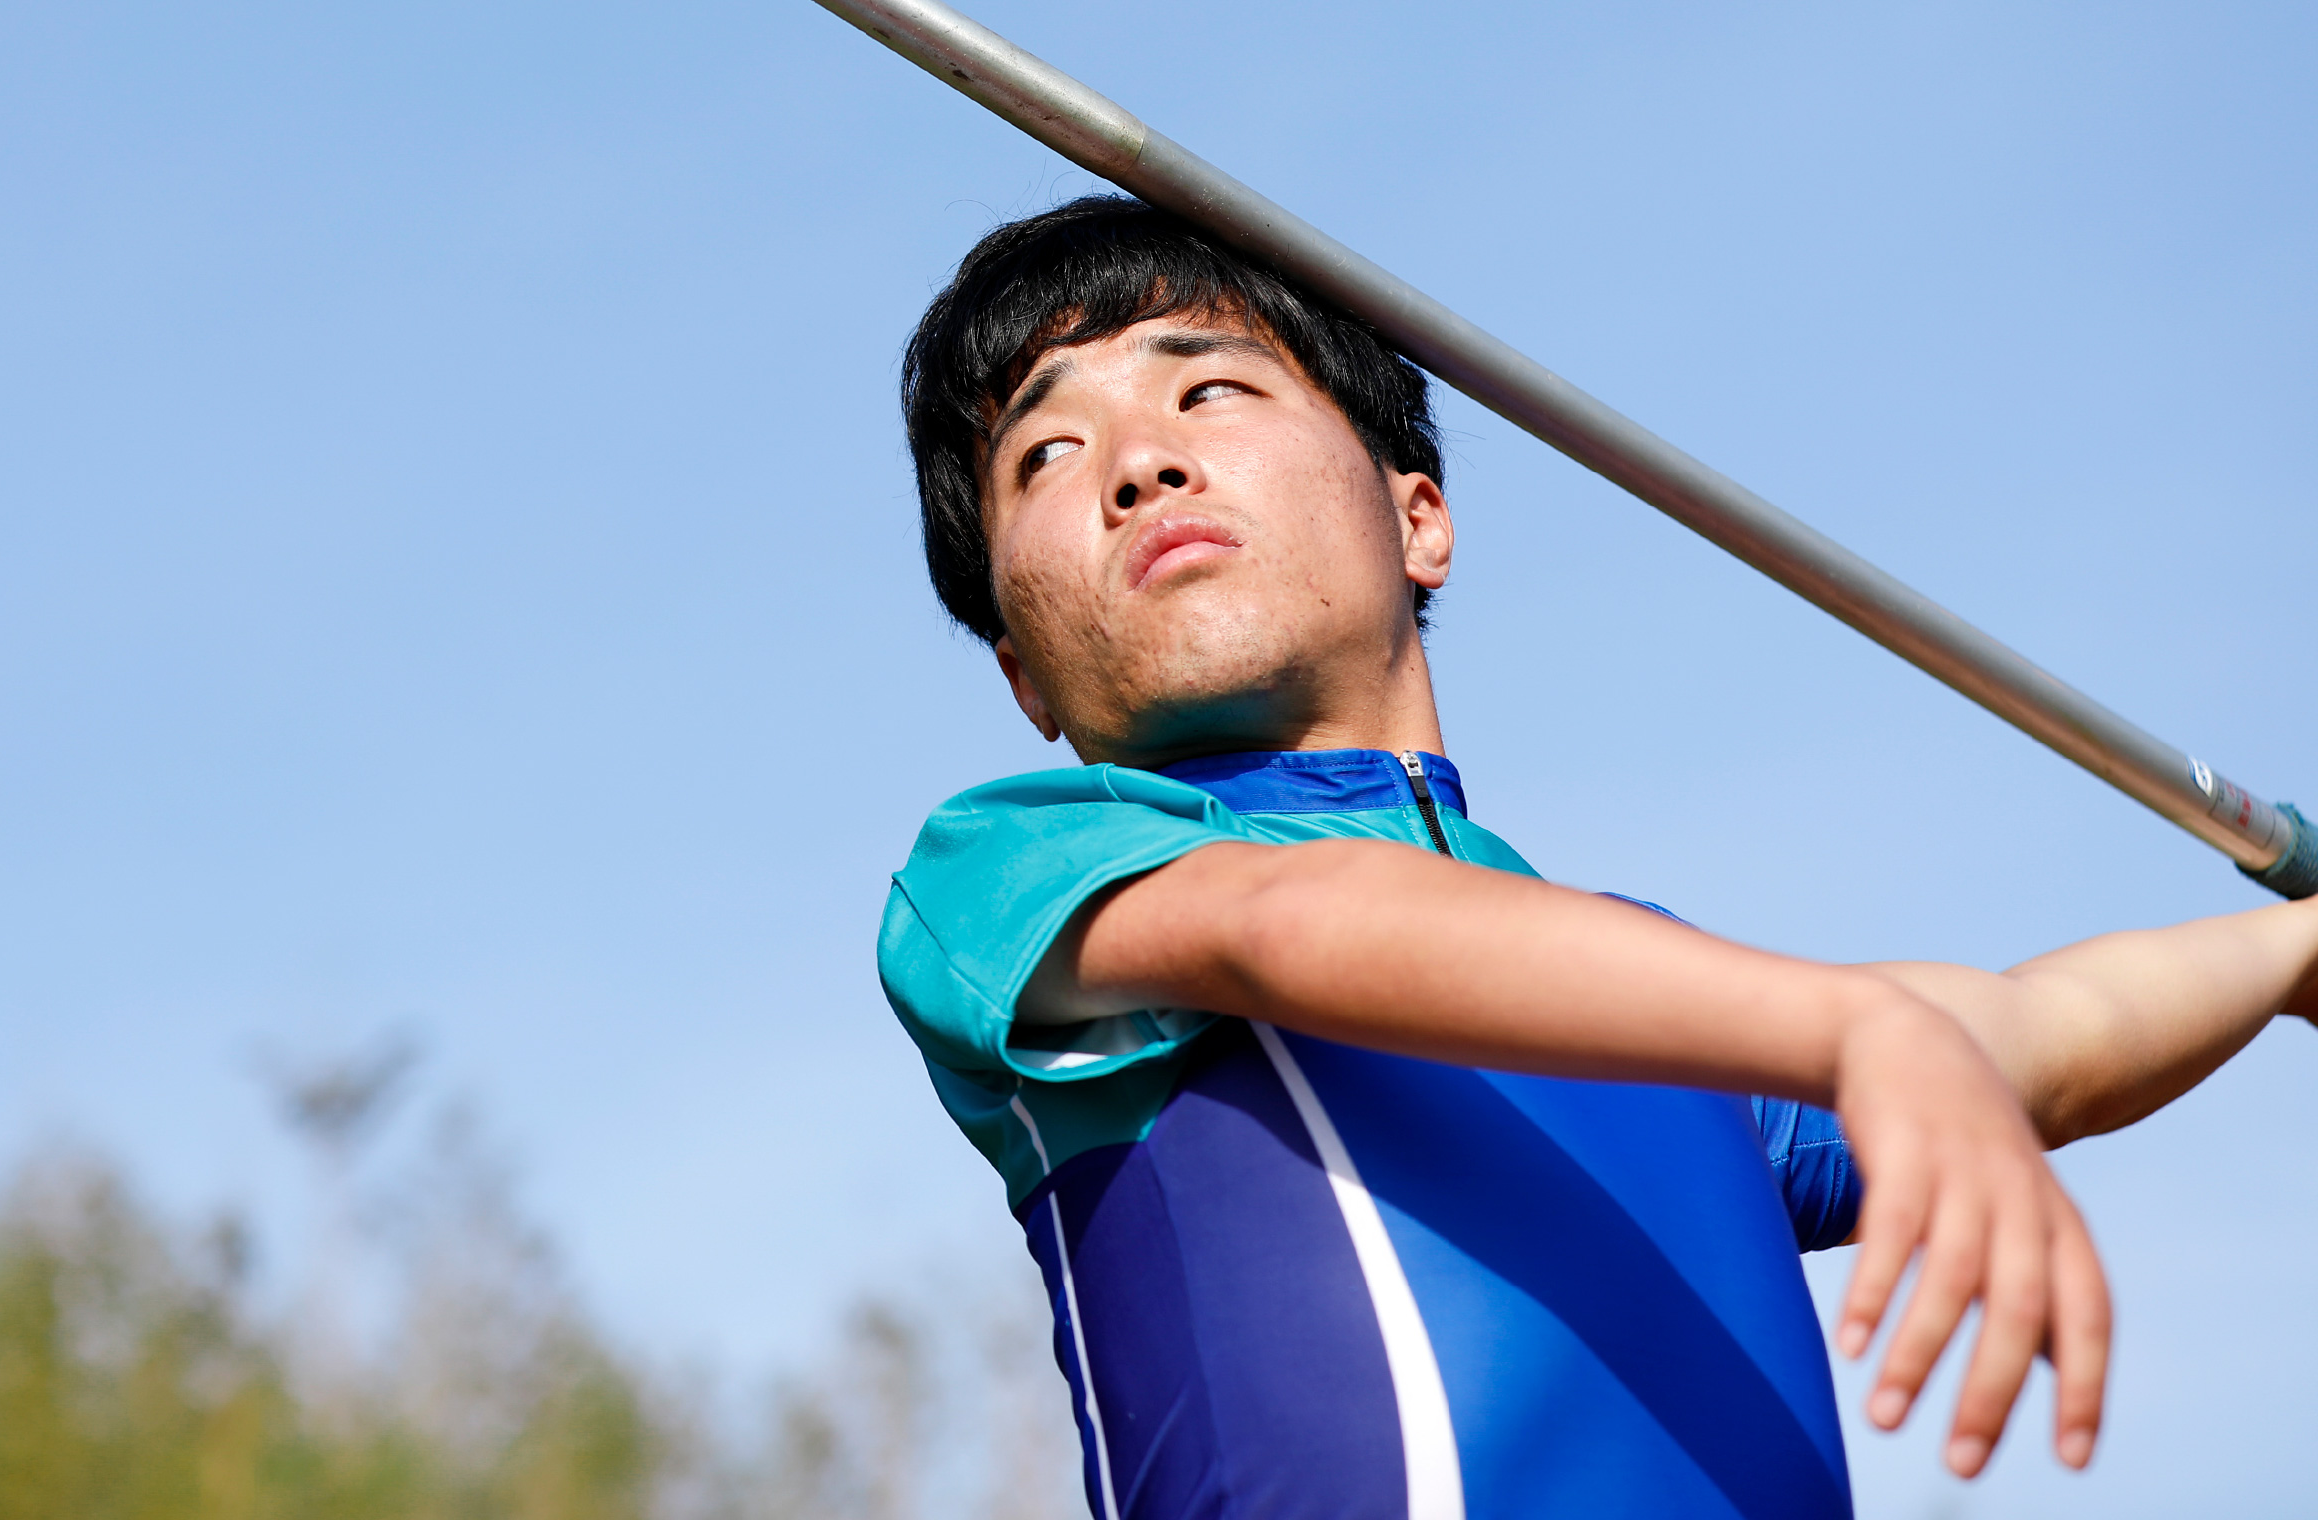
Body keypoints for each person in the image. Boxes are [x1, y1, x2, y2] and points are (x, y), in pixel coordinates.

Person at [874, 195, 2318, 1519]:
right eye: (1046, 456)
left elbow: (2042, 1041)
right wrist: (1851, 1025)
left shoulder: (1651, 997)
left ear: (1418, 513)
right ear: (1024, 680)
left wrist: (2291, 949)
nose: (1140, 462)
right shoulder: (1019, 870)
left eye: (1211, 388)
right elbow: (1290, 924)